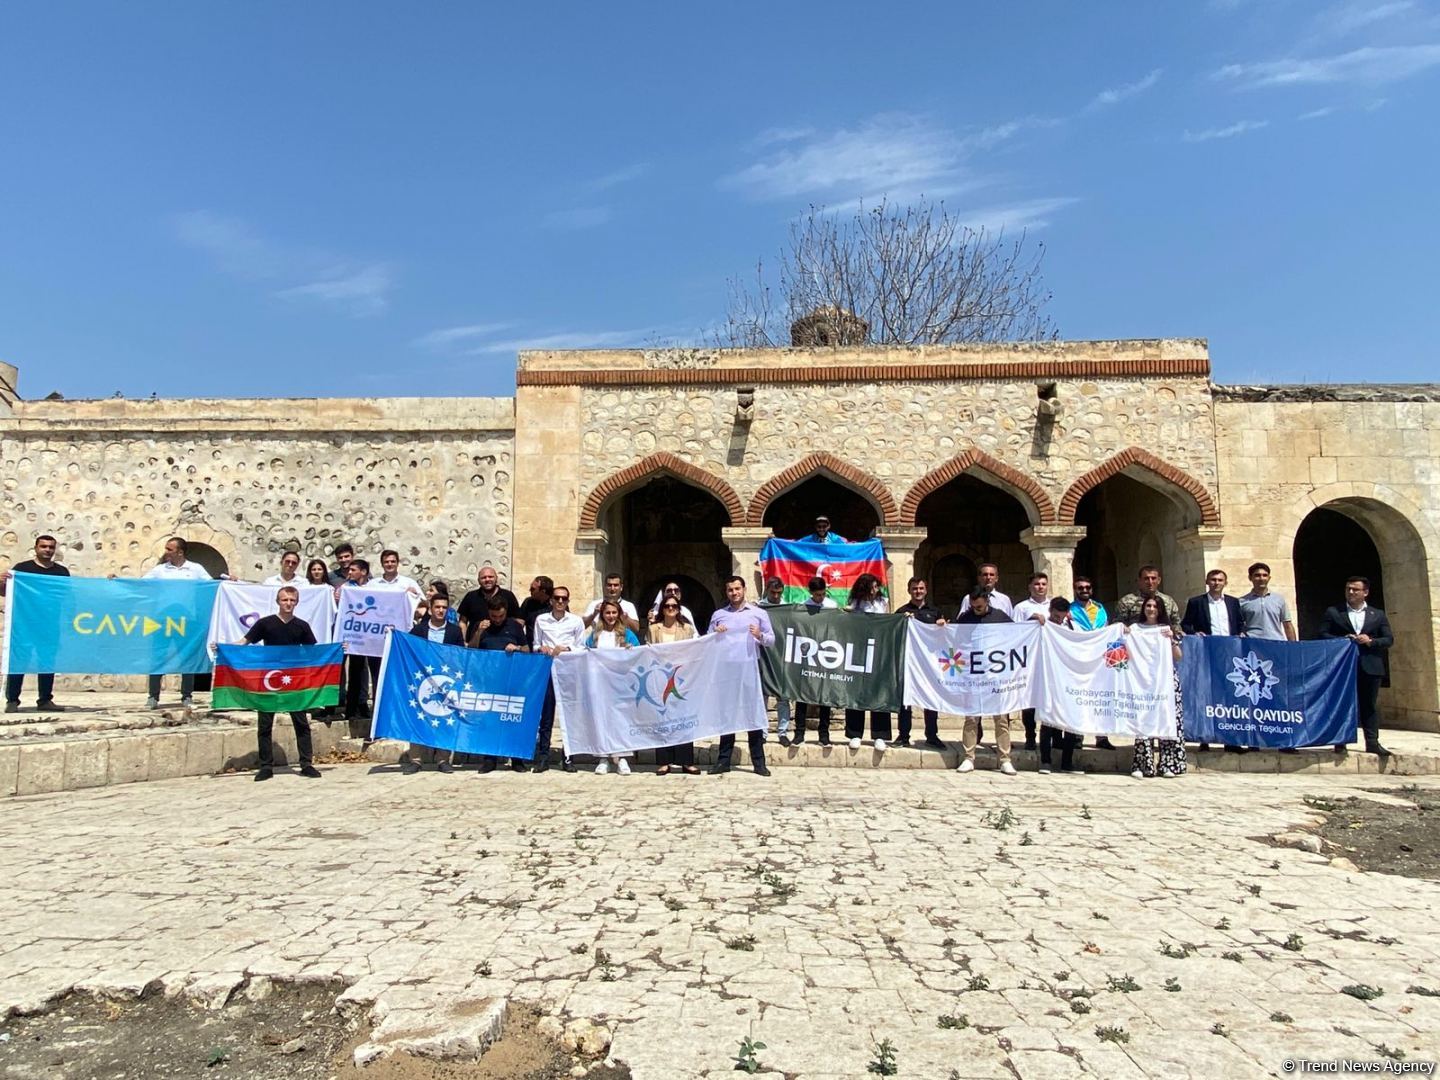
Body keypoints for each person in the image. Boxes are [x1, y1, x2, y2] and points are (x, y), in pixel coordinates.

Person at [238, 585, 322, 782]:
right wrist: (223, 648)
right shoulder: (265, 623)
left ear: (297, 602)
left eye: (292, 600)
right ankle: (266, 766)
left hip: (293, 680)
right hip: (269, 679)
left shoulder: (302, 626)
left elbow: (314, 652)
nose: (288, 603)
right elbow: (244, 642)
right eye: (285, 600)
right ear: (278, 601)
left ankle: (306, 764)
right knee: (265, 723)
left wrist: (338, 649)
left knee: (301, 722)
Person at [1320, 576, 1393, 756]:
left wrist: (1371, 641)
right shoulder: (1334, 612)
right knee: (1342, 703)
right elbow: (1322, 634)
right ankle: (1340, 741)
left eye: (1355, 589)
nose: (1351, 592)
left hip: (1370, 665)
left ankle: (1372, 742)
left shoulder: (1377, 614)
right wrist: (1343, 640)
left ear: (1365, 593)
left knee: (1369, 704)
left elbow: (1388, 639)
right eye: (1348, 589)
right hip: (1343, 666)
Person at [708, 576, 774, 777]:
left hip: (750, 671)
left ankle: (759, 763)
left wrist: (759, 635)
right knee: (727, 716)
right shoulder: (719, 615)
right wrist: (715, 633)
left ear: (744, 589)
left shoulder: (758, 613)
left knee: (752, 714)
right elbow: (706, 641)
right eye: (730, 590)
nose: (734, 593)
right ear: (726, 592)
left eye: (737, 589)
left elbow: (772, 640)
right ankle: (723, 761)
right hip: (726, 672)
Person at [2, 534, 71, 713]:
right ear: (36, 548)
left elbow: (68, 595)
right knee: (19, 661)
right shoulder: (22, 570)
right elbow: (7, 593)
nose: (47, 550)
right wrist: (2, 581)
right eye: (43, 546)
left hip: (49, 624)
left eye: (51, 547)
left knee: (47, 662)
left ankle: (45, 700)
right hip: (24, 624)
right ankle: (12, 700)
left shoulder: (61, 572)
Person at [143, 537, 213, 709]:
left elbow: (212, 585)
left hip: (186, 620)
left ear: (180, 552)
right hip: (162, 620)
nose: (166, 552)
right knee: (158, 656)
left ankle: (187, 696)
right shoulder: (160, 570)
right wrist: (118, 580)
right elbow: (141, 583)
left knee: (187, 657)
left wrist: (229, 581)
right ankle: (153, 697)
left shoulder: (195, 569)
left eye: (169, 549)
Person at [1181, 569, 1246, 753]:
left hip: (1230, 654)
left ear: (1225, 582)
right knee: (1206, 694)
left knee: (1231, 695)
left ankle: (1231, 740)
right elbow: (1186, 623)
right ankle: (1205, 738)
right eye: (1213, 580)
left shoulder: (1233, 602)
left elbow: (1240, 623)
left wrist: (1241, 632)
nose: (1216, 583)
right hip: (1207, 653)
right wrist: (1195, 633)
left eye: (1220, 580)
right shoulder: (1196, 602)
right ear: (1207, 581)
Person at [1124, 595, 1187, 779]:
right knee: (1143, 719)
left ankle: (1169, 764)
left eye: (1154, 606)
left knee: (1168, 719)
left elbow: (1178, 656)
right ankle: (1143, 764)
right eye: (1148, 605)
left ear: (1160, 610)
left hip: (1165, 681)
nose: (1151, 609)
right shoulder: (1135, 629)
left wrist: (1172, 640)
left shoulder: (1166, 630)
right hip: (1143, 682)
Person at [955, 589, 1016, 776]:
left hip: (996, 676)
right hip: (973, 676)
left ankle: (1005, 758)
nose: (976, 610)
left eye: (979, 607)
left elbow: (1017, 635)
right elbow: (955, 641)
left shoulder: (1000, 617)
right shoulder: (965, 618)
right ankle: (968, 757)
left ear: (987, 601)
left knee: (1001, 719)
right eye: (973, 607)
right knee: (971, 719)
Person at [468, 596, 532, 775]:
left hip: (512, 681)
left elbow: (528, 650)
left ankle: (516, 760)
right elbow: (471, 649)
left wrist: (517, 648)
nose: (497, 619)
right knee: (489, 720)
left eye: (500, 616)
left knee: (512, 718)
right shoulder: (483, 626)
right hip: (488, 681)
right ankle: (490, 759)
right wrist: (479, 633)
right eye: (494, 616)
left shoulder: (515, 627)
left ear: (505, 612)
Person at [532, 585, 586, 772]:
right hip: (547, 669)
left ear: (568, 601)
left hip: (568, 671)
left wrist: (566, 649)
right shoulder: (541, 620)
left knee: (568, 715)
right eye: (557, 598)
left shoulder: (576, 621)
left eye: (564, 598)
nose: (560, 601)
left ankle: (568, 757)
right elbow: (536, 644)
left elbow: (581, 647)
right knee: (546, 715)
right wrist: (542, 649)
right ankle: (544, 757)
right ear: (551, 600)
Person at [584, 600, 639, 775]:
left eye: (614, 613)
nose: (611, 616)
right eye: (608, 613)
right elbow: (584, 652)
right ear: (602, 615)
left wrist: (630, 649)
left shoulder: (627, 634)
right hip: (599, 683)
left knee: (621, 719)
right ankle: (603, 758)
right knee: (601, 719)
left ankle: (622, 757)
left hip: (620, 683)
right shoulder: (595, 635)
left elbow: (638, 654)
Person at [650, 597, 700, 775]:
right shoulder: (653, 629)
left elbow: (693, 651)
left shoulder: (687, 629)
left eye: (674, 606)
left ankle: (686, 761)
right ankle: (664, 761)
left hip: (681, 679)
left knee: (684, 719)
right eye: (667, 606)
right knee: (663, 718)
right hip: (660, 678)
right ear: (662, 609)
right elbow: (648, 651)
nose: (670, 609)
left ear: (679, 609)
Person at [895, 577, 947, 749]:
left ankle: (932, 735)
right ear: (909, 590)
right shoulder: (901, 612)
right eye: (915, 588)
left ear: (926, 590)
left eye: (921, 588)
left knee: (930, 699)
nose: (918, 591)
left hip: (929, 663)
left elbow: (943, 637)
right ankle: (903, 736)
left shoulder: (935, 612)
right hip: (909, 662)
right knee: (905, 701)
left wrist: (942, 625)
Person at [843, 573, 892, 752]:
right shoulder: (855, 604)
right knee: (857, 691)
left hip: (879, 651)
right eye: (871, 587)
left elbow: (888, 623)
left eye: (876, 586)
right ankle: (855, 733)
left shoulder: (883, 602)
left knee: (880, 692)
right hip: (858, 651)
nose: (874, 590)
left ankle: (880, 734)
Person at [792, 576, 837, 746]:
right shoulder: (803, 607)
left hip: (827, 654)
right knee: (802, 695)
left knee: (825, 695)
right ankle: (799, 733)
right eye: (817, 595)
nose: (820, 598)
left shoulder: (832, 606)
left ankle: (824, 734)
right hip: (808, 654)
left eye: (823, 594)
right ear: (811, 593)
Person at [1037, 598, 1079, 774]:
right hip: (1048, 678)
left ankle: (1067, 763)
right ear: (1050, 610)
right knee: (1048, 720)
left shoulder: (1073, 628)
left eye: (1061, 617)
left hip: (1069, 679)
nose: (1058, 620)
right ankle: (1045, 761)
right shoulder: (1041, 625)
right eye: (1055, 616)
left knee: (1070, 722)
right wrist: (1034, 618)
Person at [1012, 573, 1051, 751]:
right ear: (1030, 587)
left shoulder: (1054, 606)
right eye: (1036, 584)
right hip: (1029, 659)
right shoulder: (1022, 608)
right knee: (1029, 700)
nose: (1040, 587)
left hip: (1050, 659)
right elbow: (1014, 632)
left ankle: (1050, 735)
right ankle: (1030, 735)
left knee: (1050, 698)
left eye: (1043, 584)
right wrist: (1030, 621)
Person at [340, 559, 382, 725]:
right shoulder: (345, 588)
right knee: (355, 672)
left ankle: (376, 709)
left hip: (373, 637)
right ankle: (351, 710)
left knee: (376, 673)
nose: (349, 572)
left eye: (353, 569)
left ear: (363, 572)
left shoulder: (376, 588)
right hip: (355, 636)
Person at [756, 577, 794, 745]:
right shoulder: (758, 608)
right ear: (767, 590)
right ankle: (762, 733)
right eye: (773, 592)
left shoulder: (788, 609)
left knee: (783, 696)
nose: (777, 596)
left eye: (779, 593)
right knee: (762, 695)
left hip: (782, 657)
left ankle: (783, 732)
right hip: (763, 655)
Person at [457, 566, 521, 642]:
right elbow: (463, 622)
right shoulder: (470, 596)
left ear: (496, 578)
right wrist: (463, 642)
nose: (487, 580)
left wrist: (516, 641)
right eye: (483, 578)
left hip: (503, 646)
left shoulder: (508, 596)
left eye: (490, 577)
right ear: (478, 581)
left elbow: (517, 620)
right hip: (475, 646)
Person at [1239, 562, 1297, 642]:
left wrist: (1293, 646)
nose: (1261, 578)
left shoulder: (1279, 600)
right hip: (1252, 644)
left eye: (1265, 575)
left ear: (1269, 578)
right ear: (1250, 578)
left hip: (1276, 643)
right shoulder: (1242, 602)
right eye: (1257, 575)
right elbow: (1238, 626)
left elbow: (1287, 625)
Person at [1117, 565, 1182, 636]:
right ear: (1139, 581)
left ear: (1159, 580)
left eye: (1153, 578)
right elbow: (1118, 625)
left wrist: (1176, 634)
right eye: (1146, 579)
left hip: (1162, 640)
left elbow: (1176, 623)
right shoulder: (1127, 601)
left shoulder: (1168, 601)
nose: (1150, 582)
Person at [518, 575, 554, 646]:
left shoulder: (556, 604)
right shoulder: (528, 602)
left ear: (543, 591)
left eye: (532, 589)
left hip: (551, 647)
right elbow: (519, 624)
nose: (530, 591)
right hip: (531, 646)